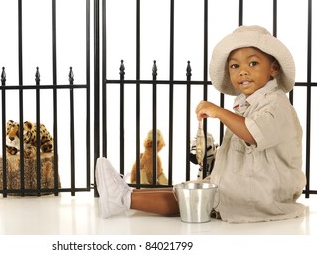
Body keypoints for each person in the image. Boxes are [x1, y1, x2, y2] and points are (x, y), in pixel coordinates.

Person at [95, 25, 307, 223]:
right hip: (240, 186)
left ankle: (123, 199)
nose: (243, 71)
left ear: (274, 69)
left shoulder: (276, 103)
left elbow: (253, 133)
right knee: (184, 191)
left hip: (259, 194)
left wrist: (218, 112)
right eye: (235, 65)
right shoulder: (245, 104)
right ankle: (124, 195)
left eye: (253, 63)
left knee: (189, 198)